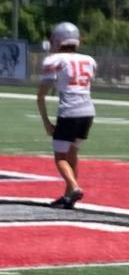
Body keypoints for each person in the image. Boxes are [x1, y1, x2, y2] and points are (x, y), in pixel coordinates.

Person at [36, 22, 96, 208]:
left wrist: (46, 121)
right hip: (88, 111)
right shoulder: (89, 60)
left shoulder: (54, 60)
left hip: (69, 111)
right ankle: (69, 195)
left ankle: (74, 187)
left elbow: (42, 95)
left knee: (60, 157)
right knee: (72, 154)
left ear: (57, 40)